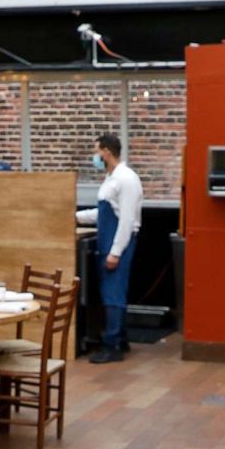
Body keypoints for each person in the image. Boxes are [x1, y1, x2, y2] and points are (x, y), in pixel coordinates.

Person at [75, 132, 142, 364]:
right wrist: (74, 216)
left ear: (106, 151)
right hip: (108, 240)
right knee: (111, 292)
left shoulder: (126, 179)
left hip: (118, 243)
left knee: (113, 294)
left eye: (96, 151)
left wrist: (115, 252)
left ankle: (112, 345)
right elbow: (103, 213)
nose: (95, 156)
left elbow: (125, 220)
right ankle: (121, 339)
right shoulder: (111, 178)